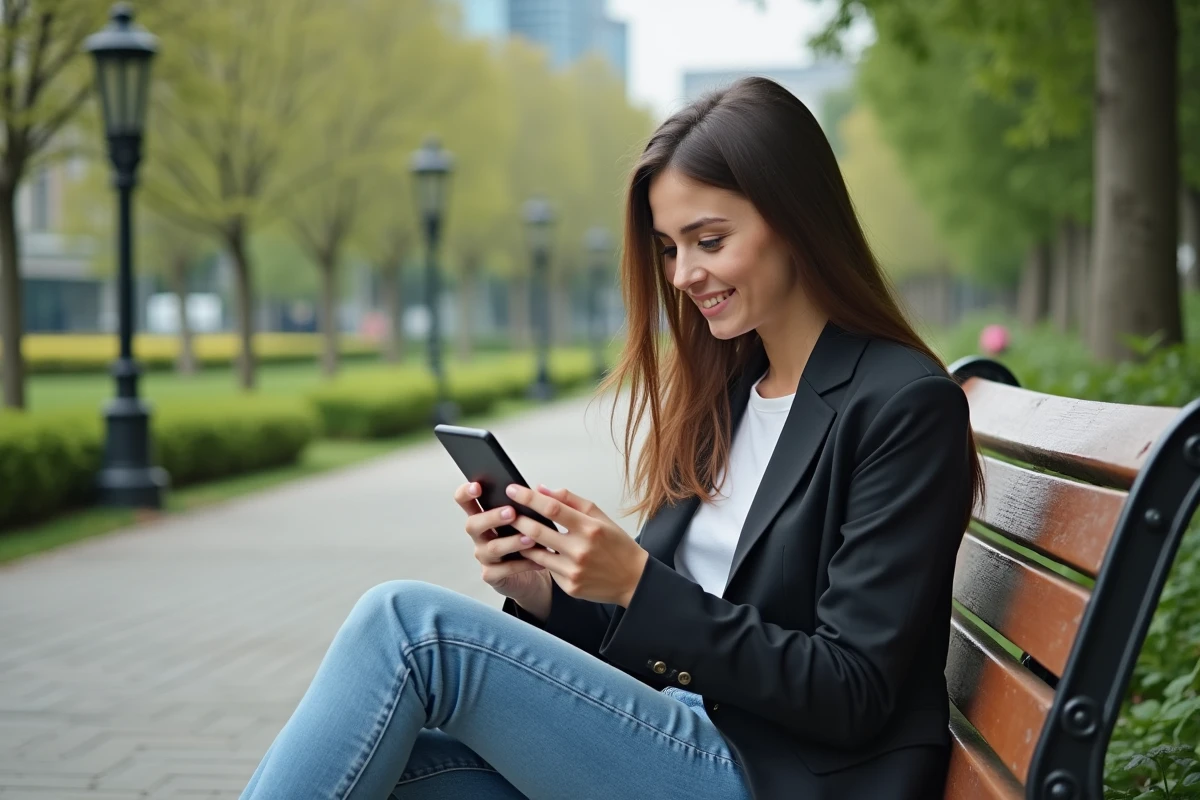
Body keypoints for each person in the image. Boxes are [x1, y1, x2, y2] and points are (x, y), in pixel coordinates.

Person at [238, 76, 983, 800]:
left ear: (796, 219)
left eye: (710, 239)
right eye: (668, 248)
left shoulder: (902, 406)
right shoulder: (729, 392)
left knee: (407, 628)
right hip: (689, 739)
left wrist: (636, 583)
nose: (686, 274)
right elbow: (675, 630)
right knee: (383, 757)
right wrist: (546, 596)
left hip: (777, 774)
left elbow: (851, 689)